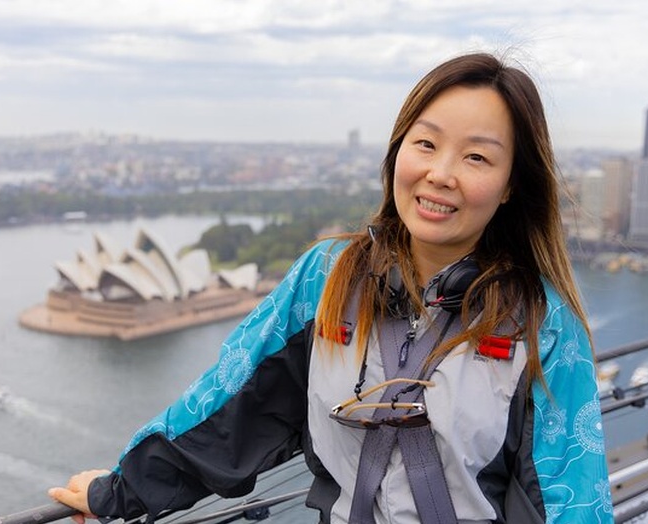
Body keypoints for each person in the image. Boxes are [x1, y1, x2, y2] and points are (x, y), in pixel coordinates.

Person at [49, 52, 612, 523]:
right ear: (397, 150)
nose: (441, 173)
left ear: (512, 185)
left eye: (476, 157)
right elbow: (230, 402)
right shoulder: (327, 278)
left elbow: (573, 497)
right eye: (426, 144)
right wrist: (120, 491)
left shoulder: (541, 322)